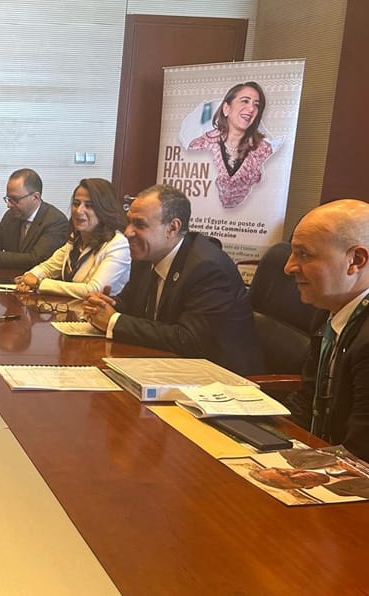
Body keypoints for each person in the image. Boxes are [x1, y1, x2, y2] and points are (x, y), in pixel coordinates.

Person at [82, 184, 264, 375]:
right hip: (164, 367)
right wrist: (104, 306)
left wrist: (114, 321)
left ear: (172, 228)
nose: (128, 232)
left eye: (140, 224)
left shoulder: (207, 268)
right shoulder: (146, 256)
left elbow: (190, 340)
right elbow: (131, 305)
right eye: (129, 222)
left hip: (220, 378)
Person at [283, 199, 369, 460]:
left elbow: (361, 453)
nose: (288, 267)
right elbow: (306, 403)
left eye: (304, 254)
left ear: (355, 260)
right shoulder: (328, 310)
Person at [15, 178, 131, 298]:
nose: (79, 211)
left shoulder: (118, 244)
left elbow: (94, 290)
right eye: (76, 204)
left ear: (104, 209)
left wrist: (39, 284)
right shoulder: (76, 239)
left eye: (89, 206)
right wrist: (30, 276)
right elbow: (47, 267)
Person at [0, 168, 69, 269]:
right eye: (8, 199)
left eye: (15, 199)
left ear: (35, 197)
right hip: (7, 278)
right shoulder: (11, 215)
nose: (9, 205)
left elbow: (35, 259)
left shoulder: (55, 221)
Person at [187, 81, 274, 209]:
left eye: (256, 105)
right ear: (226, 108)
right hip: (204, 218)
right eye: (245, 101)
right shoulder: (200, 146)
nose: (251, 109)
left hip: (248, 220)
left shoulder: (265, 151)